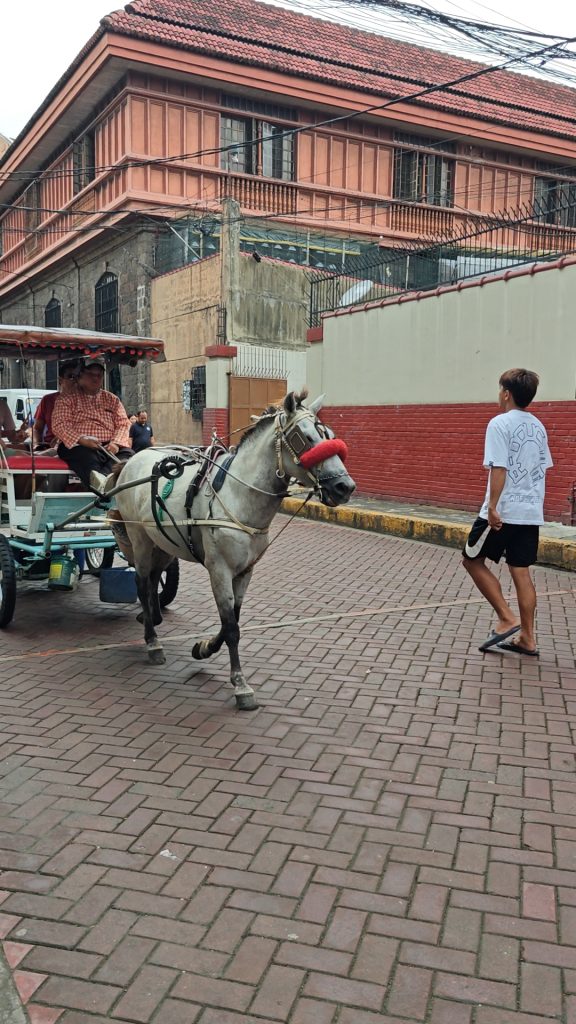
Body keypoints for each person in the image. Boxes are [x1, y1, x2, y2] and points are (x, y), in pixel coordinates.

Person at [462, 368, 553, 658]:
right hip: (530, 511)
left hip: (504, 510)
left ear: (506, 393)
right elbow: (541, 469)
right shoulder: (539, 426)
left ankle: (506, 616)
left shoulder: (499, 423)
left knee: (471, 560)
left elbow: (499, 467)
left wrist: (492, 507)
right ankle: (528, 638)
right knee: (520, 570)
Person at [51, 359, 132, 493]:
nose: (95, 379)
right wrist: (83, 440)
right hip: (79, 445)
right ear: (80, 376)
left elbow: (123, 424)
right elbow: (60, 425)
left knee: (129, 456)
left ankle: (104, 483)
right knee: (87, 458)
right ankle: (103, 487)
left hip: (109, 446)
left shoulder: (112, 399)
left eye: (99, 375)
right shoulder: (66, 398)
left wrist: (116, 443)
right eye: (90, 374)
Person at [32, 360, 81, 451]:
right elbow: (37, 428)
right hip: (50, 446)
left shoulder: (86, 401)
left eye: (78, 377)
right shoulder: (48, 400)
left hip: (77, 446)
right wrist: (37, 445)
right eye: (71, 377)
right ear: (60, 380)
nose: (76, 381)